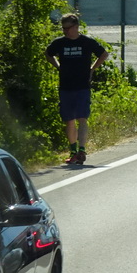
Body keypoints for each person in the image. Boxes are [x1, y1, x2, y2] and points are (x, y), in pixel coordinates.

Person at [45, 13, 109, 165]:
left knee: (82, 118)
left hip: (82, 86)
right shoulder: (60, 43)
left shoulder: (86, 42)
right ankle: (73, 151)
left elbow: (104, 54)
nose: (65, 31)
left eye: (67, 28)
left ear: (75, 27)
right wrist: (58, 66)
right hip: (66, 86)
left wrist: (92, 69)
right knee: (69, 119)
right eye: (63, 28)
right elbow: (48, 54)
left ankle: (82, 150)